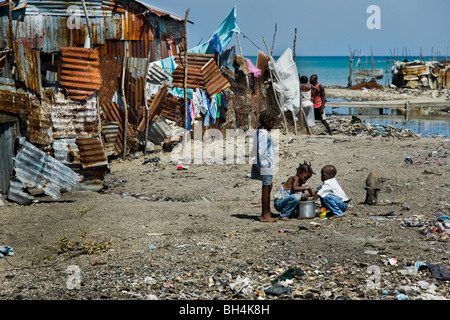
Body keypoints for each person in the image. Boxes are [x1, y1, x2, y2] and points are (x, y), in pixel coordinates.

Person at [252, 109, 278, 222]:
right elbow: (261, 151)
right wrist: (267, 163)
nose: (273, 124)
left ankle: (268, 211)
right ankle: (264, 215)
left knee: (269, 186)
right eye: (272, 122)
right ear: (266, 121)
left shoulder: (258, 131)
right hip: (265, 164)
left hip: (261, 163)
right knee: (266, 187)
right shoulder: (263, 134)